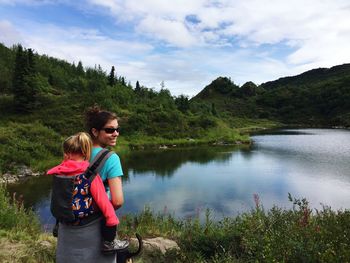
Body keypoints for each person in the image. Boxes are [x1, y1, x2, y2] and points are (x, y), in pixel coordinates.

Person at [54, 106, 128, 263]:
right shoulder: (111, 158)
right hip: (94, 229)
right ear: (95, 132)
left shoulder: (74, 155)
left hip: (66, 228)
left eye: (117, 129)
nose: (115, 133)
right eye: (109, 130)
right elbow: (117, 201)